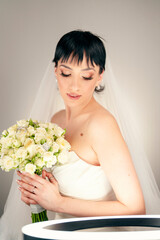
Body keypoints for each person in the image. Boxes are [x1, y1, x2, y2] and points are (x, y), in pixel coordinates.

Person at [0, 30, 160, 240]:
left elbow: (135, 208)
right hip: (58, 232)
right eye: (66, 73)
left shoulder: (102, 125)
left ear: (100, 76)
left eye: (86, 76)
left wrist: (58, 203)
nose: (74, 86)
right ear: (55, 70)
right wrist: (37, 193)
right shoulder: (55, 121)